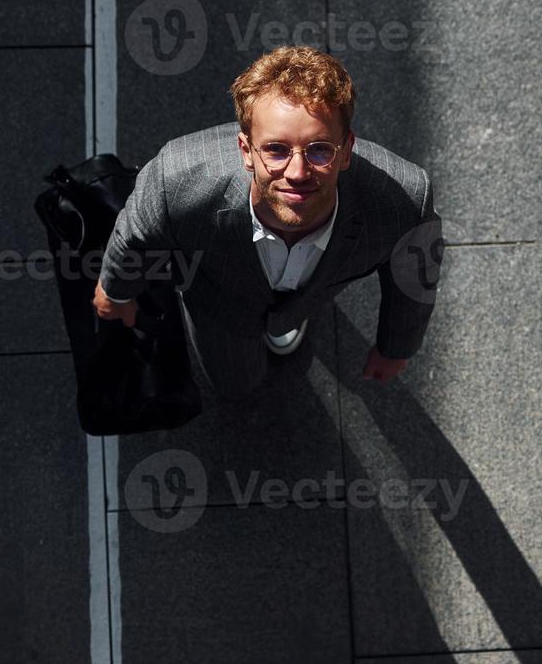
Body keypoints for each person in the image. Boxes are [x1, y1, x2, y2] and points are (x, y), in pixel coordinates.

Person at [92, 45, 442, 400]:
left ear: (347, 150)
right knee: (236, 383)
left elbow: (412, 286)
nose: (298, 173)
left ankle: (292, 316)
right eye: (276, 149)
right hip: (223, 311)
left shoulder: (404, 202)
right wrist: (116, 290)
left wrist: (396, 348)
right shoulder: (178, 181)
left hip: (312, 292)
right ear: (246, 151)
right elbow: (134, 237)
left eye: (320, 149)